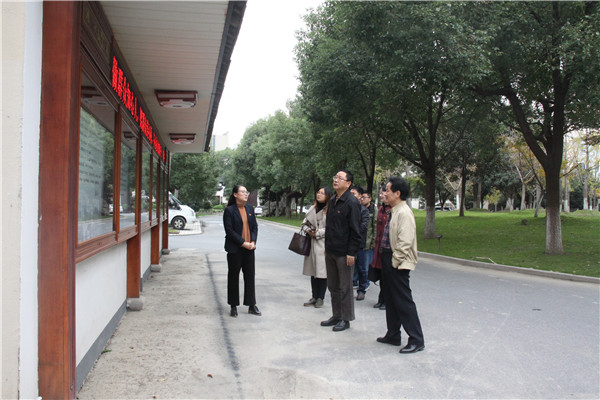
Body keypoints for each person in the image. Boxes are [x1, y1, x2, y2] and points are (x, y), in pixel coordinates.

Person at [376, 177, 425, 353]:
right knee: (390, 299)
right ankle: (393, 334)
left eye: (388, 190)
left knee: (403, 301)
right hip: (388, 259)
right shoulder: (394, 211)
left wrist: (395, 261)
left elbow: (405, 241)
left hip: (397, 262)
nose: (385, 193)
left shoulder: (404, 212)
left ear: (397, 193)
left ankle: (416, 340)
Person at [321, 170, 362, 332]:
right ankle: (336, 315)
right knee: (333, 286)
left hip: (344, 253)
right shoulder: (333, 200)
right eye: (335, 177)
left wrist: (352, 252)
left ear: (348, 183)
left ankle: (346, 318)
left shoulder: (352, 202)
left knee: (345, 287)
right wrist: (327, 247)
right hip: (331, 250)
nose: (336, 180)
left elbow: (356, 230)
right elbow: (330, 226)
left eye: (340, 178)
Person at [223, 185, 261, 318]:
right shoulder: (229, 210)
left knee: (250, 276)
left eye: (246, 192)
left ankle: (251, 305)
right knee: (233, 277)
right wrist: (243, 243)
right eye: (243, 192)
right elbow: (229, 231)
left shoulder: (250, 208)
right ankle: (233, 306)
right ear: (235, 194)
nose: (246, 194)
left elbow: (254, 227)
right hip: (235, 249)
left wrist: (253, 242)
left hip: (249, 248)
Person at [301, 186, 332, 308]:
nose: (319, 195)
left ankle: (320, 298)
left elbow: (332, 228)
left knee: (322, 273)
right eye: (318, 192)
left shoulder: (330, 210)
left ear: (328, 196)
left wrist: (318, 233)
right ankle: (314, 296)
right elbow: (304, 223)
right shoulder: (312, 208)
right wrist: (308, 230)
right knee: (313, 271)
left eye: (322, 193)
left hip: (323, 244)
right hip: (311, 243)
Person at [370, 185, 390, 310]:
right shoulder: (381, 209)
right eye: (381, 193)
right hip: (379, 247)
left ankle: (387, 301)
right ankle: (381, 299)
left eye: (384, 193)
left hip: (387, 248)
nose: (382, 195)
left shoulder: (391, 210)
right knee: (382, 275)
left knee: (387, 277)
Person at [350, 186, 370, 301]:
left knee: (362, 268)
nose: (351, 195)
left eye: (354, 193)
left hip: (359, 244)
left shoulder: (364, 210)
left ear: (360, 196)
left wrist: (351, 230)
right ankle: (347, 289)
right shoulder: (347, 208)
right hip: (347, 244)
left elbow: (363, 227)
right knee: (347, 268)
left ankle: (361, 290)